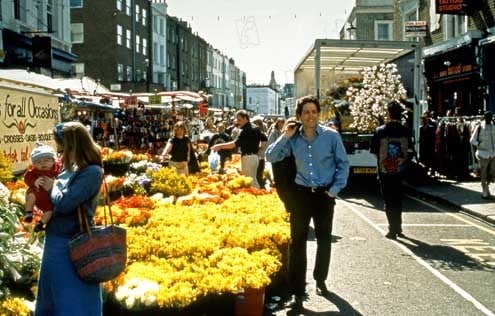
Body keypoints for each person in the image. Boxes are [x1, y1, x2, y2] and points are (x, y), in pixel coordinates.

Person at [265, 95, 349, 309]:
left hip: (324, 196)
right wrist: (285, 135)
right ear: (299, 116)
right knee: (298, 242)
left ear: (318, 114)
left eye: (313, 112)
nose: (310, 116)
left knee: (323, 240)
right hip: (301, 196)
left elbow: (343, 164)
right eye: (306, 112)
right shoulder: (293, 138)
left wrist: (334, 191)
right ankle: (297, 290)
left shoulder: (331, 136)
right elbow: (270, 156)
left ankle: (320, 279)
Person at [35, 121, 104, 316]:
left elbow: (65, 203)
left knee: (73, 301)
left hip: (74, 245)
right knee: (52, 298)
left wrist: (53, 187)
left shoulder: (91, 172)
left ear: (74, 146)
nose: (61, 154)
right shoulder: (70, 167)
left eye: (63, 149)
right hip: (55, 242)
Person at [370, 100, 413, 240]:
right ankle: (398, 227)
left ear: (388, 113)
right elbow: (410, 151)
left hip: (385, 171)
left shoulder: (380, 131)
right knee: (398, 198)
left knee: (388, 200)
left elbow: (375, 151)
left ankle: (392, 229)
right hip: (400, 171)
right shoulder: (406, 130)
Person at [211, 110, 267, 188]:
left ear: (245, 118)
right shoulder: (255, 127)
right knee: (253, 179)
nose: (237, 122)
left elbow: (234, 144)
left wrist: (219, 146)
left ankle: (256, 196)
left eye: (239, 120)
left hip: (248, 158)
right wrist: (260, 149)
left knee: (250, 181)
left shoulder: (246, 131)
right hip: (255, 157)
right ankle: (256, 195)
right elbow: (264, 139)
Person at [24, 143, 62, 232]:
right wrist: (34, 181)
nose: (43, 163)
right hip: (37, 193)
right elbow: (27, 178)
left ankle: (40, 224)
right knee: (31, 197)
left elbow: (62, 179)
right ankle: (29, 213)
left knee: (49, 211)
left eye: (46, 160)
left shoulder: (57, 170)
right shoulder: (34, 172)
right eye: (39, 162)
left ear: (53, 161)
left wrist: (56, 182)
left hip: (48, 198)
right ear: (34, 164)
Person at [470, 111, 495, 199]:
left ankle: (487, 186)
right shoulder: (479, 127)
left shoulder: (493, 126)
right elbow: (472, 140)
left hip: (493, 153)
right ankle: (484, 190)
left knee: (492, 172)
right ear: (485, 117)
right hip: (482, 154)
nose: (490, 119)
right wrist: (479, 144)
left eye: (490, 117)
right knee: (484, 173)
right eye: (488, 117)